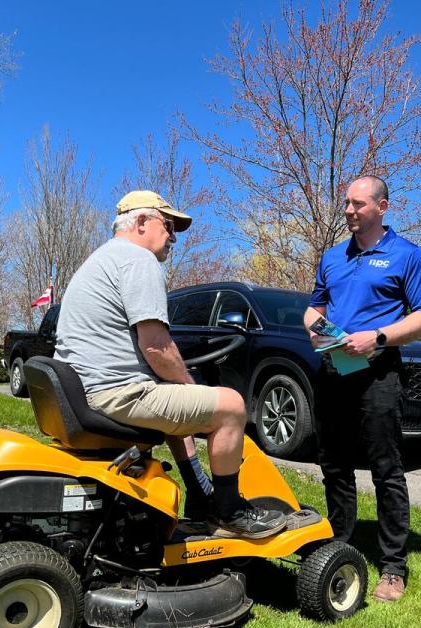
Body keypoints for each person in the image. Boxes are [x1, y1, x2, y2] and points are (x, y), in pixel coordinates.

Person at [54, 190, 286, 540]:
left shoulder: (101, 259)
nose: (173, 237)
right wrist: (193, 386)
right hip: (116, 393)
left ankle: (200, 494)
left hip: (89, 390)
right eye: (168, 225)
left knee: (179, 400)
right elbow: (157, 347)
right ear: (141, 222)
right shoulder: (137, 259)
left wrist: (181, 386)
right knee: (232, 407)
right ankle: (229, 512)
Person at [303, 175, 421, 603]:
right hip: (334, 371)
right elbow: (314, 307)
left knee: (385, 468)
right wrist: (318, 330)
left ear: (382, 207)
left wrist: (378, 337)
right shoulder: (333, 257)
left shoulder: (406, 255)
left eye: (358, 204)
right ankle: (338, 546)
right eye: (346, 203)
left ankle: (393, 567)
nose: (349, 210)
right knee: (335, 466)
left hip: (379, 375)